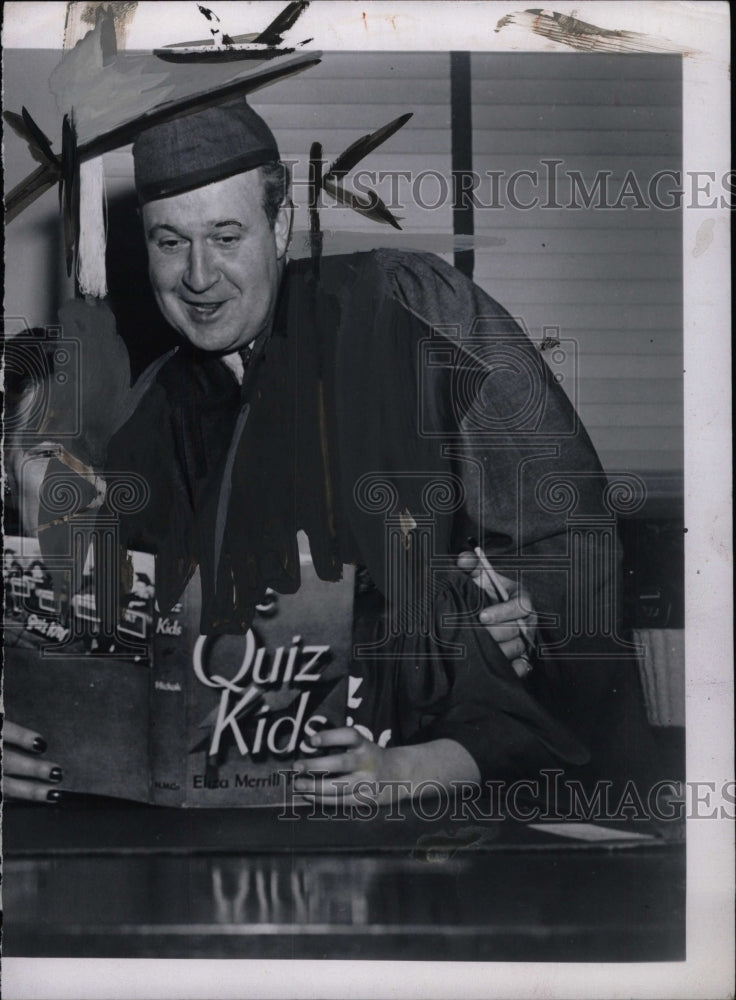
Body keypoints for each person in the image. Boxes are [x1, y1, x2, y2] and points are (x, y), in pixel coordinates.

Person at [4, 99, 661, 807]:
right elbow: (118, 651)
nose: (199, 276)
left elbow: (560, 515)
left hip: (441, 791)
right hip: (247, 812)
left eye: (226, 236)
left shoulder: (406, 307)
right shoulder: (152, 411)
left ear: (280, 226)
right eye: (171, 243)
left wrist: (526, 607)